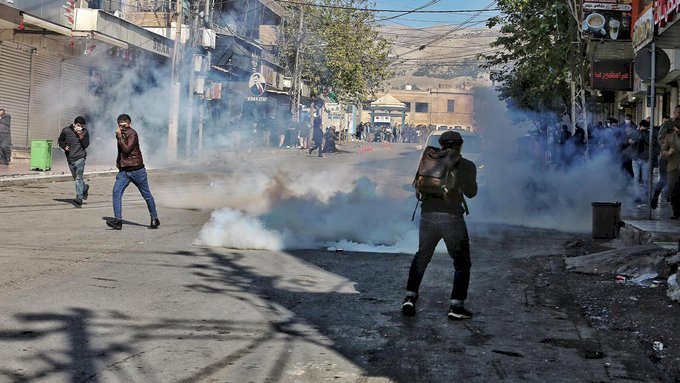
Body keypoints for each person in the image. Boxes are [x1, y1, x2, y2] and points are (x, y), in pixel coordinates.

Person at [402, 130, 478, 320]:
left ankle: (410, 298)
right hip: (451, 218)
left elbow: (418, 186)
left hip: (427, 215)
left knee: (422, 257)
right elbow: (471, 193)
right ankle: (456, 307)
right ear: (460, 145)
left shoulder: (428, 161)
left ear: (441, 144)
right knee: (461, 263)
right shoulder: (466, 165)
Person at [106, 114, 160, 230]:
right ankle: (118, 220)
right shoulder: (121, 134)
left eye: (123, 126)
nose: (121, 128)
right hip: (124, 171)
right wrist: (119, 164)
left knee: (146, 195)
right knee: (116, 192)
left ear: (129, 124)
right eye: (119, 126)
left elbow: (126, 149)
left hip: (137, 170)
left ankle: (154, 218)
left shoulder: (132, 133)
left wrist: (119, 136)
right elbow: (120, 152)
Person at [58, 116, 90, 207]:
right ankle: (84, 187)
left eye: (82, 126)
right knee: (76, 177)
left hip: (80, 157)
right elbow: (60, 140)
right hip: (70, 158)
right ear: (74, 124)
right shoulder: (66, 130)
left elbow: (86, 144)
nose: (80, 127)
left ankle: (79, 198)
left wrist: (80, 134)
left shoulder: (85, 132)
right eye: (78, 125)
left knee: (78, 178)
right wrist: (64, 146)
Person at [661, 113, 680, 219]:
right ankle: (676, 212)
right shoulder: (669, 138)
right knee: (673, 191)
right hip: (673, 168)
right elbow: (663, 149)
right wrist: (667, 153)